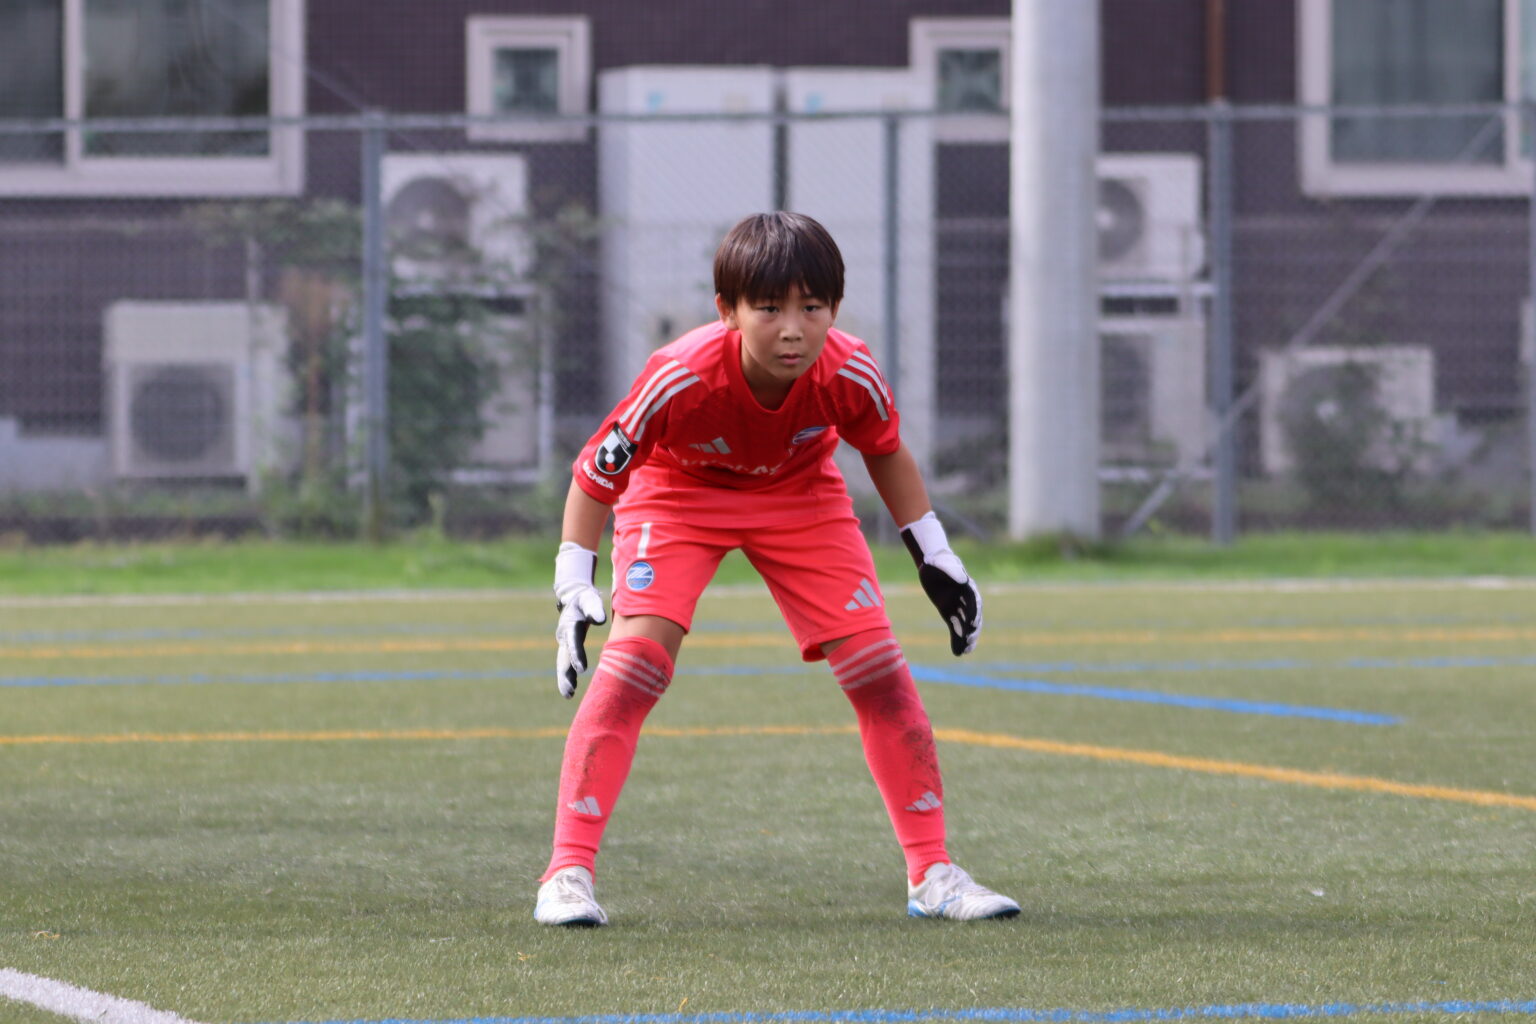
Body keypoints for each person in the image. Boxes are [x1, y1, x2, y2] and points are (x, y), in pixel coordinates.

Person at [535, 211, 1018, 926]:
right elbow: (595, 475)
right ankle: (566, 873)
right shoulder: (679, 375)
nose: (793, 329)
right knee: (635, 664)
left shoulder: (849, 369)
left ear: (835, 309)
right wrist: (574, 583)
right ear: (727, 310)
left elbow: (884, 449)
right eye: (768, 309)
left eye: (811, 307)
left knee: (880, 670)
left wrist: (935, 553)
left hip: (799, 495)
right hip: (678, 493)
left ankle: (933, 874)